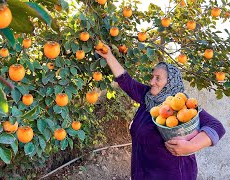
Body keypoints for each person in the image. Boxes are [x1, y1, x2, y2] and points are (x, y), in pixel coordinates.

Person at [96, 46, 226, 180]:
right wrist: (109, 56)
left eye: (158, 78)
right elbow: (126, 82)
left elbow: (216, 126)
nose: (152, 82)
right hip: (143, 173)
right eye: (152, 77)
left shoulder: (181, 105)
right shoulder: (148, 97)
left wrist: (191, 146)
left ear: (170, 83)